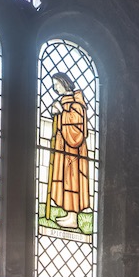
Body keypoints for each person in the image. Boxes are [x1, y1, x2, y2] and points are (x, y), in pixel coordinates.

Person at [45, 71, 91, 229]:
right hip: (62, 148)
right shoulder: (65, 101)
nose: (54, 87)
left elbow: (77, 128)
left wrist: (62, 113)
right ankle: (69, 214)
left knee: (72, 180)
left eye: (56, 84)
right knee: (64, 178)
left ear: (64, 83)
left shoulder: (76, 102)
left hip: (73, 152)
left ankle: (73, 218)